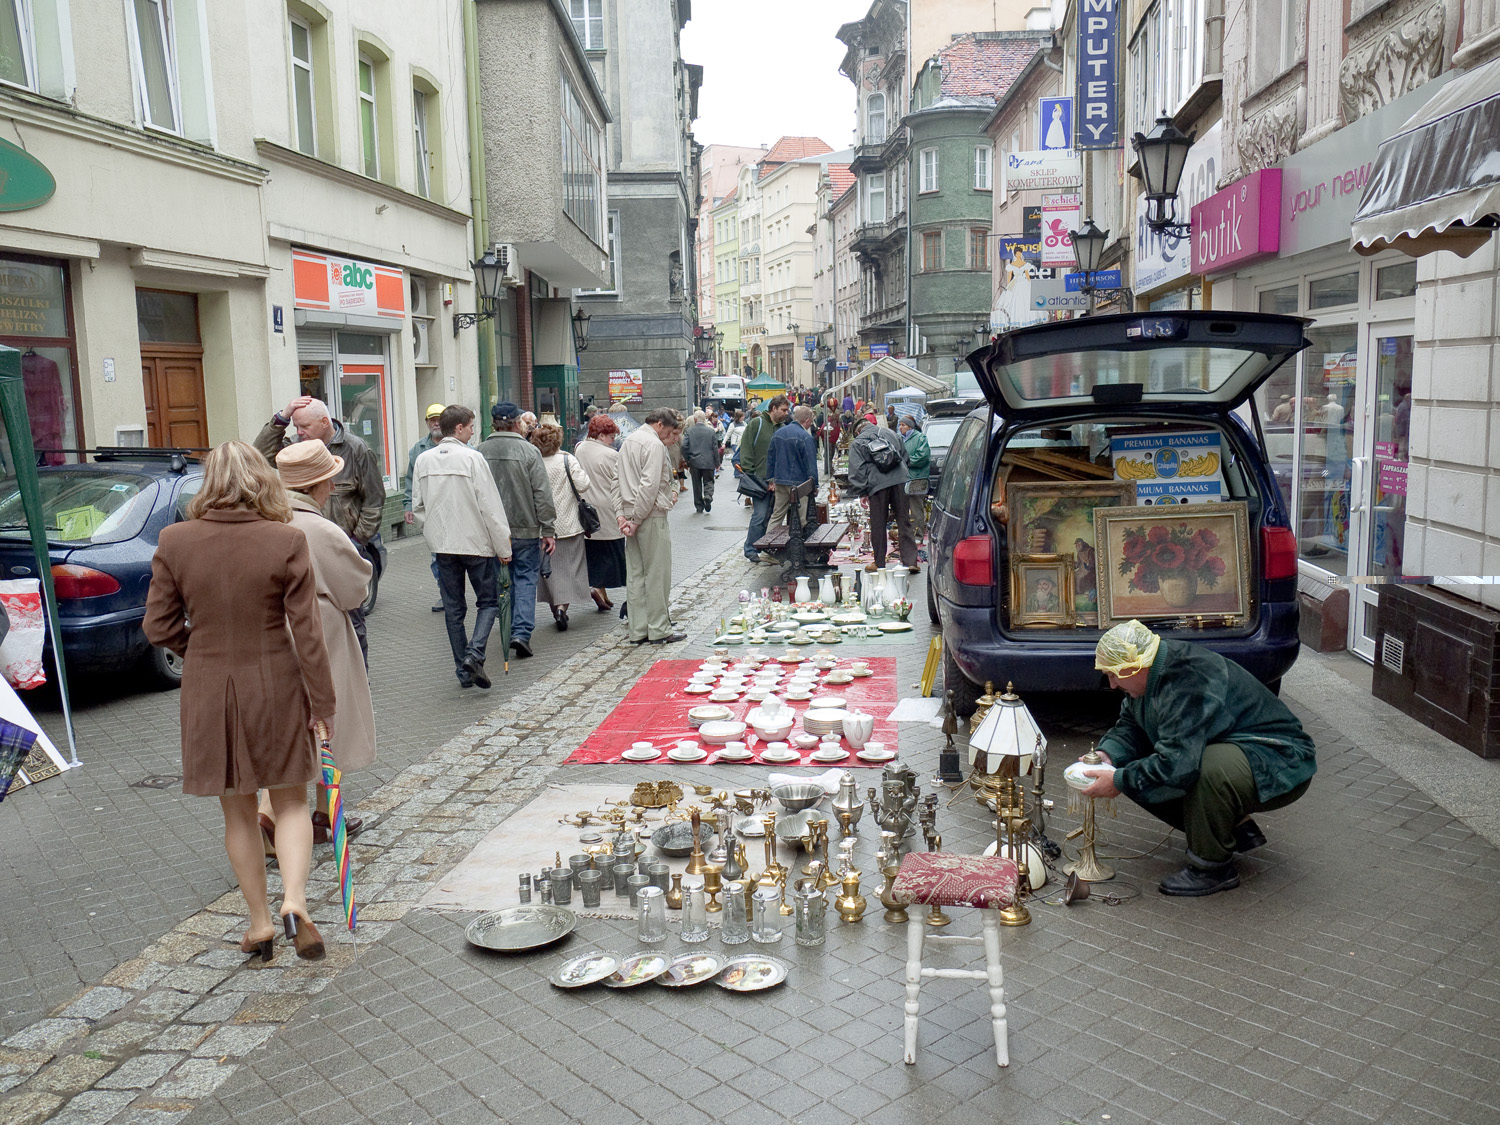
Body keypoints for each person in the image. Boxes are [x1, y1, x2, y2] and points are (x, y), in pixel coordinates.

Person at [143, 441, 335, 962]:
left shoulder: (174, 539)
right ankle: (295, 901)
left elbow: (157, 626)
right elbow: (309, 633)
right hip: (275, 679)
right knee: (293, 800)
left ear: (209, 484)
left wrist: (198, 649)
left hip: (208, 688)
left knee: (238, 812)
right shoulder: (286, 539)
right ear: (263, 481)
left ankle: (260, 924)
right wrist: (324, 705)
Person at [1078, 620, 1317, 897]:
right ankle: (1235, 829)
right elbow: (1131, 727)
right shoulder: (1151, 674)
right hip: (1241, 750)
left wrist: (1119, 780)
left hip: (1280, 758)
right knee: (1130, 772)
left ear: (1136, 666)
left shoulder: (1185, 678)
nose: (1112, 683)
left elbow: (1178, 765)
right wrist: (1109, 756)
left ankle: (1212, 868)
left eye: (1114, 674)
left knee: (1204, 769)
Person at [271, 440, 376, 845]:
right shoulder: (319, 528)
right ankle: (316, 812)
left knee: (291, 723)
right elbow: (355, 590)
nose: (333, 488)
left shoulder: (268, 522)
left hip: (274, 634)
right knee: (329, 719)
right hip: (321, 631)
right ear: (315, 486)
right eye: (328, 482)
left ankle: (302, 812)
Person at [255, 396, 384, 660]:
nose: (298, 432)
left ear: (324, 422)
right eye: (295, 426)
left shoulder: (357, 449)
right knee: (307, 618)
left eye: (303, 426)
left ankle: (358, 674)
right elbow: (260, 455)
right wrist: (282, 416)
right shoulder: (296, 448)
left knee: (351, 617)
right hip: (300, 546)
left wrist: (356, 540)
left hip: (343, 547)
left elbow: (374, 500)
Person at [412, 406, 513, 689]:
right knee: (489, 601)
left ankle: (463, 669)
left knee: (454, 609)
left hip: (443, 545)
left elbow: (417, 507)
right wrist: (503, 546)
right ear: (458, 428)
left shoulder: (423, 460)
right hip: (476, 542)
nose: (472, 431)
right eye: (470, 426)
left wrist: (432, 532)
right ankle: (475, 653)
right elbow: (490, 506)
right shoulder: (472, 458)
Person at [478, 403, 555, 659]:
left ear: (494, 423)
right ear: (516, 422)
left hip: (492, 532)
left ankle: (509, 628)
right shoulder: (529, 451)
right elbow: (542, 493)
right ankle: (521, 633)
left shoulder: (480, 452)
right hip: (526, 529)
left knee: (503, 581)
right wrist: (548, 529)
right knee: (525, 579)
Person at [619, 406, 685, 644]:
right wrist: (636, 519)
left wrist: (622, 516)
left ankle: (638, 630)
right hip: (649, 516)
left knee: (636, 575)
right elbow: (649, 487)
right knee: (657, 574)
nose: (669, 436)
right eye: (669, 431)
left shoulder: (629, 441)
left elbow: (617, 482)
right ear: (660, 425)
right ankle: (658, 628)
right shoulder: (654, 444)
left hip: (630, 515)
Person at [533, 422, 593, 632]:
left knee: (549, 572)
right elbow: (584, 484)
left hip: (542, 527)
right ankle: (561, 608)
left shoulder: (534, 462)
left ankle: (554, 608)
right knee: (571, 570)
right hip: (569, 524)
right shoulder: (567, 460)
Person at [846, 417, 919, 573]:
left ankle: (879, 563)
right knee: (904, 520)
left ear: (858, 431)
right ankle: (911, 561)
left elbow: (856, 471)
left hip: (877, 485)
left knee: (878, 524)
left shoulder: (858, 442)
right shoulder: (890, 433)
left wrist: (863, 491)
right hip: (900, 480)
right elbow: (905, 456)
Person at [574, 414, 626, 612]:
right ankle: (597, 587)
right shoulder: (611, 455)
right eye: (612, 436)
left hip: (586, 510)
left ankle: (600, 591)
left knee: (594, 553)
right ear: (603, 435)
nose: (613, 440)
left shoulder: (580, 449)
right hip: (607, 509)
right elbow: (621, 481)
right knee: (610, 553)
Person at [404, 403, 447, 612]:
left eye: (439, 418)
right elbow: (410, 480)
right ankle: (446, 594)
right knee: (436, 558)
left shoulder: (459, 445)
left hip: (456, 510)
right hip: (431, 514)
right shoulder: (418, 449)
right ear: (427, 422)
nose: (435, 423)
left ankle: (456, 593)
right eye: (432, 419)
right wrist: (408, 505)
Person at [736, 394, 789, 562]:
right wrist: (751, 472)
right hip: (759, 479)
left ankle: (767, 547)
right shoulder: (756, 424)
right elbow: (746, 448)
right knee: (759, 515)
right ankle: (750, 549)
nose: (786, 413)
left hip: (778, 481)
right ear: (773, 408)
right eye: (783, 410)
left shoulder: (782, 428)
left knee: (772, 516)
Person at [767, 403, 818, 533]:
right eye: (810, 422)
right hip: (799, 484)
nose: (810, 425)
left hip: (780, 480)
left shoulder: (778, 433)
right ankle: (801, 547)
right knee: (802, 517)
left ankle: (767, 550)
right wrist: (814, 485)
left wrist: (771, 479)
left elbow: (771, 457)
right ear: (807, 421)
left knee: (777, 515)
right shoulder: (806, 437)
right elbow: (810, 464)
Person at [680, 409, 721, 513]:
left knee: (696, 483)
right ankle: (708, 496)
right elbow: (715, 448)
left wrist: (687, 459)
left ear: (694, 419)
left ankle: (699, 506)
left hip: (694, 462)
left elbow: (684, 446)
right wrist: (717, 463)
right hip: (709, 461)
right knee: (709, 481)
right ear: (705, 419)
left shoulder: (689, 431)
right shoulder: (711, 431)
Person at [898, 414, 930, 546]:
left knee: (916, 508)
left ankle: (918, 535)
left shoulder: (920, 438)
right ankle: (907, 534)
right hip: (904, 479)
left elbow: (922, 456)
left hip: (917, 478)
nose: (900, 428)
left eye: (903, 425)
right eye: (899, 425)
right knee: (905, 508)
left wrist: (905, 461)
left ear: (910, 427)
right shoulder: (900, 439)